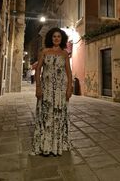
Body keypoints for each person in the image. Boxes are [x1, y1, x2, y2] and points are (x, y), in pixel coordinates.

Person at [30, 27, 72, 156]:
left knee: (59, 116)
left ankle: (57, 146)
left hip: (60, 89)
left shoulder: (65, 53)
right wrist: (38, 87)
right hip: (46, 89)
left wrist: (69, 88)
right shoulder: (44, 51)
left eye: (59, 36)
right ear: (50, 38)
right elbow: (38, 71)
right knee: (46, 115)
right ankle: (45, 145)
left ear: (62, 39)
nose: (56, 39)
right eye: (54, 36)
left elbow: (69, 73)